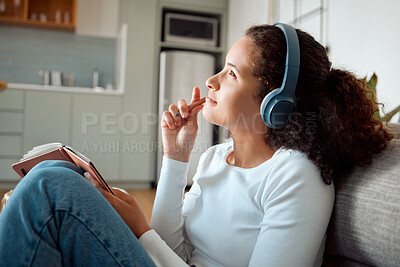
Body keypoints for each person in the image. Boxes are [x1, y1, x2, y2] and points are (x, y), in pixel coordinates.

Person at [0, 24, 392, 266]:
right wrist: (176, 156)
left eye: (231, 73)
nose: (212, 80)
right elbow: (174, 248)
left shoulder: (296, 177)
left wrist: (140, 230)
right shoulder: (215, 158)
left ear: (275, 102)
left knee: (53, 188)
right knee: (56, 170)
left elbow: (154, 244)